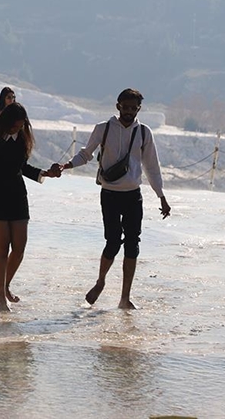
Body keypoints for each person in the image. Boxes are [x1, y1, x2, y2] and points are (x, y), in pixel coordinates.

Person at [60, 88, 171, 310]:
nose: (129, 112)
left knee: (132, 244)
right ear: (117, 106)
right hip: (110, 194)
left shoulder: (144, 133)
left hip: (133, 196)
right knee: (112, 241)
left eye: (133, 108)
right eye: (125, 107)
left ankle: (124, 297)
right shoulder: (104, 128)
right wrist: (66, 165)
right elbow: (86, 153)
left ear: (138, 109)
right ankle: (100, 281)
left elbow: (152, 166)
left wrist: (161, 196)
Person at [0, 103, 61, 312]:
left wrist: (45, 174)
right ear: (6, 122)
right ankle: (1, 298)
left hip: (17, 196)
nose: (17, 130)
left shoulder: (22, 139)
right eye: (14, 126)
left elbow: (22, 167)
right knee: (3, 248)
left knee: (19, 249)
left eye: (21, 126)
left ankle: (6, 284)